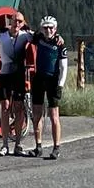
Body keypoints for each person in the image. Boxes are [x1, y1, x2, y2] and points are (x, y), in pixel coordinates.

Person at [0, 11, 32, 156]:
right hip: (5, 75)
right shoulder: (0, 35)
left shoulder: (26, 36)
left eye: (20, 21)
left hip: (19, 75)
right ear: (10, 21)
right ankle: (5, 145)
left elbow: (42, 38)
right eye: (15, 20)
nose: (17, 23)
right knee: (5, 107)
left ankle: (18, 144)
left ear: (23, 23)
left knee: (19, 108)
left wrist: (59, 38)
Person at [26, 14, 68, 160]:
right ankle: (38, 146)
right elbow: (28, 34)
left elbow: (64, 68)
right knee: (37, 114)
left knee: (54, 115)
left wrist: (60, 86)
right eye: (45, 28)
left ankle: (56, 148)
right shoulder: (39, 38)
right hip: (39, 79)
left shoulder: (60, 44)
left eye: (51, 28)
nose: (48, 30)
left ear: (55, 29)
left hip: (53, 81)